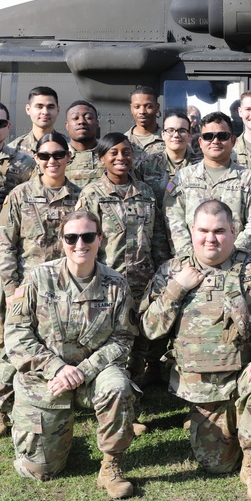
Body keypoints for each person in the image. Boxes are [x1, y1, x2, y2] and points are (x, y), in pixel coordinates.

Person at [140, 200, 251, 501]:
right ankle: (239, 424)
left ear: (233, 231)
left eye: (219, 231)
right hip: (202, 389)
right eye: (203, 231)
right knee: (216, 464)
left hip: (247, 377)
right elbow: (149, 328)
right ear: (192, 230)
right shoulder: (172, 271)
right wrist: (177, 288)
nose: (210, 238)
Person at [4, 210, 137, 498]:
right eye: (71, 237)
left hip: (94, 375)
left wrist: (84, 370)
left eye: (88, 237)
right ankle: (60, 437)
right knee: (41, 470)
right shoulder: (38, 278)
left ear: (99, 239)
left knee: (118, 387)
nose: (80, 244)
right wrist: (57, 368)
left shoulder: (116, 284)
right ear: (61, 240)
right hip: (46, 377)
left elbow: (123, 339)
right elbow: (16, 335)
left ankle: (111, 466)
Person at [0, 132, 81, 438]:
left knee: (56, 347)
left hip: (65, 289)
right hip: (25, 288)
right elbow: (5, 245)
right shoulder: (19, 195)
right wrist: (12, 288)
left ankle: (57, 401)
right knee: (12, 348)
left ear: (68, 157)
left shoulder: (81, 197)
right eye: (45, 156)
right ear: (36, 159)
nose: (52, 161)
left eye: (58, 155)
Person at [76, 132, 169, 390]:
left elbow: (157, 236)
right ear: (102, 158)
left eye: (126, 152)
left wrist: (162, 273)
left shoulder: (145, 192)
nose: (121, 158)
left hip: (143, 281)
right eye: (113, 153)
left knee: (139, 338)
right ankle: (105, 389)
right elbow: (82, 241)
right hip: (107, 281)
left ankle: (135, 389)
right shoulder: (92, 194)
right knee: (107, 338)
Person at [164, 111, 251, 256]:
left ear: (233, 141)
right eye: (208, 136)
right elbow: (173, 220)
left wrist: (235, 256)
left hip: (237, 263)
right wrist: (189, 258)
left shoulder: (249, 180)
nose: (215, 141)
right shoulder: (182, 178)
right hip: (191, 263)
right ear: (200, 142)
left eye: (222, 136)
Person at [9, 86, 63, 156]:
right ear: (28, 109)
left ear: (58, 110)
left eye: (50, 107)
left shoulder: (69, 147)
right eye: (39, 107)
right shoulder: (12, 150)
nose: (45, 112)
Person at [65, 100, 105, 187]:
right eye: (75, 118)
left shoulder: (109, 154)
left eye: (88, 117)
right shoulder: (57, 157)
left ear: (97, 124)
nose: (81, 121)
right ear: (67, 125)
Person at [154, 110, 201, 176]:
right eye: (171, 130)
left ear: (189, 135)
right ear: (163, 135)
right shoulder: (148, 164)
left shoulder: (200, 166)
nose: (176, 135)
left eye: (182, 131)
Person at [125, 85, 164, 156]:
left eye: (148, 106)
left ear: (157, 108)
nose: (142, 111)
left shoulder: (168, 139)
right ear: (131, 108)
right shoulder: (124, 141)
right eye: (137, 107)